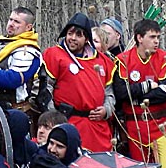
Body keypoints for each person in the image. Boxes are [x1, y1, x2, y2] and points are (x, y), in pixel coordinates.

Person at [112, 18, 166, 168]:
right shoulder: (123, 60)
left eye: (158, 37)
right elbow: (121, 93)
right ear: (139, 38)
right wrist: (148, 87)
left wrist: (137, 96)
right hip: (136, 127)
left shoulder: (165, 59)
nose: (156, 41)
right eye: (152, 37)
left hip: (162, 123)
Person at [44, 12, 115, 152]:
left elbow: (109, 93)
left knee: (100, 163)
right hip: (68, 124)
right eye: (70, 33)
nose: (73, 38)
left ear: (86, 38)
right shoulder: (55, 55)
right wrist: (55, 121)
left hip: (97, 127)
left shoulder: (103, 61)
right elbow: (46, 90)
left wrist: (106, 110)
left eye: (78, 35)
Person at [0, 6, 44, 113]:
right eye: (10, 19)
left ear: (28, 27)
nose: (11, 24)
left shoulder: (27, 50)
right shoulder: (5, 43)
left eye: (17, 22)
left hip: (14, 110)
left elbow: (13, 79)